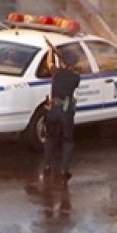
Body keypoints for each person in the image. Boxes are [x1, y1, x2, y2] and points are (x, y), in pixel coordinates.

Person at [45, 45, 80, 178]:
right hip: (66, 112)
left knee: (50, 138)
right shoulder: (76, 78)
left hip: (53, 110)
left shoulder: (56, 73)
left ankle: (47, 165)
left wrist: (50, 52)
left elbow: (49, 63)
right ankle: (64, 170)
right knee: (67, 141)